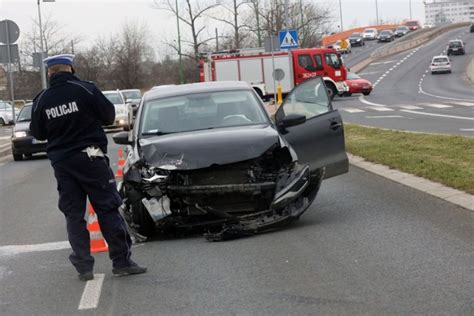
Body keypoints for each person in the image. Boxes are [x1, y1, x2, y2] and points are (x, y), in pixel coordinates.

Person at [30, 54, 146, 281]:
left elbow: (38, 132)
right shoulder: (85, 89)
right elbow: (109, 116)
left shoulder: (42, 99)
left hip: (63, 163)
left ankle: (84, 267)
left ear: (49, 73)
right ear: (71, 68)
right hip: (91, 158)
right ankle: (121, 262)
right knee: (107, 207)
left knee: (73, 214)